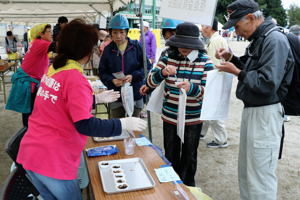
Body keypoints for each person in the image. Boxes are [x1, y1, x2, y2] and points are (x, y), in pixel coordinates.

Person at [17, 19, 147, 200]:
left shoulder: (55, 67)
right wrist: (122, 123)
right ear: (86, 52)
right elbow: (85, 124)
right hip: (53, 161)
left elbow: (61, 103)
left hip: (32, 154)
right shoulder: (75, 77)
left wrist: (93, 99)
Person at [215, 0, 294, 199]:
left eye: (237, 26)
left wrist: (238, 72)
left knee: (260, 175)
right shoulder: (261, 38)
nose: (236, 32)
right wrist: (232, 58)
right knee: (247, 170)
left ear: (250, 18)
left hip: (266, 113)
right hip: (255, 111)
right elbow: (252, 69)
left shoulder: (274, 39)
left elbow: (267, 83)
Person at [145, 22, 214, 186]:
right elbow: (150, 81)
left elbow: (210, 95)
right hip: (170, 116)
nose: (183, 47)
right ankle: (171, 188)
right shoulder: (168, 56)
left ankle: (188, 188)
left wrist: (192, 88)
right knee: (170, 154)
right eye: (180, 43)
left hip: (193, 119)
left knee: (189, 156)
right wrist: (162, 72)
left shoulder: (205, 61)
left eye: (187, 44)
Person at [99, 14, 149, 118]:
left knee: (133, 128)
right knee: (118, 127)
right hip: (116, 96)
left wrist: (133, 76)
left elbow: (147, 67)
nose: (118, 36)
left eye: (121, 32)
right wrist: (112, 80)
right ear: (110, 33)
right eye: (115, 32)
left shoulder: (136, 46)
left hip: (135, 93)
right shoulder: (108, 50)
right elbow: (102, 72)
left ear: (127, 32)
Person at [5, 23, 56, 127]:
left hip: (30, 80)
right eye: (49, 31)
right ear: (41, 34)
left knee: (30, 110)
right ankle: (28, 134)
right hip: (29, 82)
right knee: (30, 111)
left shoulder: (37, 43)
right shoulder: (40, 43)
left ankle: (29, 131)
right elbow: (57, 47)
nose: (52, 34)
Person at [200, 18, 229, 148]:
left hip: (215, 78)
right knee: (207, 108)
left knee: (213, 110)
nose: (201, 28)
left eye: (203, 25)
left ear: (208, 26)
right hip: (218, 77)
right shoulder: (217, 39)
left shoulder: (216, 40)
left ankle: (221, 139)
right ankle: (202, 132)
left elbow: (212, 64)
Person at [139, 18, 183, 96]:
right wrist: (149, 87)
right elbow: (155, 74)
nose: (170, 42)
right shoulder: (166, 53)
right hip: (169, 96)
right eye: (167, 39)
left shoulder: (193, 54)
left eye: (173, 37)